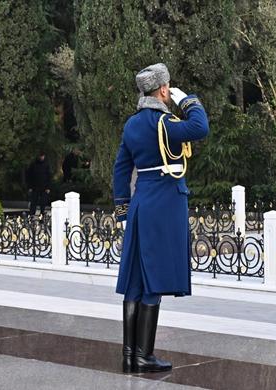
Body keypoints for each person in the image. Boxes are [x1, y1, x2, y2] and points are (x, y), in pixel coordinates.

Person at [113, 63, 209, 373]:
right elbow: (200, 127)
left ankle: (130, 356)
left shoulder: (132, 125)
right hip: (165, 203)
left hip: (142, 203)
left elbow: (120, 169)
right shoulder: (164, 123)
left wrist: (123, 208)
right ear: (164, 90)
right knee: (153, 278)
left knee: (135, 281)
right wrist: (189, 100)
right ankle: (144, 355)